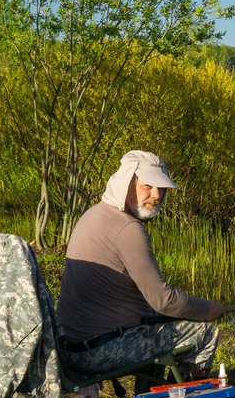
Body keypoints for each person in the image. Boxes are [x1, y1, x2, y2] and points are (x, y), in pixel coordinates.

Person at [57, 150, 225, 381]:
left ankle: (154, 396)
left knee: (156, 322)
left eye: (162, 188)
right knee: (205, 332)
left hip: (70, 346)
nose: (157, 195)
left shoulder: (93, 215)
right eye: (148, 185)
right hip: (97, 352)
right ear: (127, 182)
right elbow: (164, 300)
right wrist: (209, 310)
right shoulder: (128, 229)